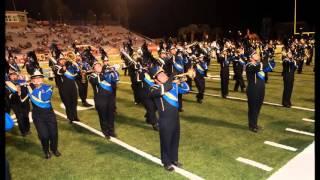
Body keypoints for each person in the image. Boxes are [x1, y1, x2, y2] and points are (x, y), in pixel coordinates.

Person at [148, 65, 190, 171]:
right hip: (165, 119)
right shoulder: (154, 88)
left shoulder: (173, 85)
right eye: (160, 75)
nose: (164, 75)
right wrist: (172, 78)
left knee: (175, 139)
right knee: (166, 140)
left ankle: (174, 159)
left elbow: (186, 90)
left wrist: (182, 81)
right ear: (155, 79)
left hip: (175, 117)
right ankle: (166, 162)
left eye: (164, 73)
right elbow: (165, 88)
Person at [27, 70, 61, 159]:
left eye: (39, 78)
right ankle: (46, 151)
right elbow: (19, 96)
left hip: (49, 114)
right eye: (35, 78)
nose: (38, 80)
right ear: (32, 80)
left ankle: (54, 149)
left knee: (53, 134)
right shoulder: (28, 88)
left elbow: (44, 98)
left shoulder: (48, 87)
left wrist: (30, 88)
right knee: (44, 136)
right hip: (37, 116)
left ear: (42, 79)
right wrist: (19, 87)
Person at [245, 50, 275, 132]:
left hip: (261, 89)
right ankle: (252, 125)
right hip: (253, 89)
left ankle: (254, 123)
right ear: (251, 57)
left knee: (258, 107)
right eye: (255, 54)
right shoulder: (249, 65)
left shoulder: (259, 65)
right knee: (253, 108)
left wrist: (271, 59)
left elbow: (270, 67)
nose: (257, 55)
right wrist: (265, 59)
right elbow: (258, 67)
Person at [88, 62, 119, 139]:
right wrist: (107, 71)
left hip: (110, 97)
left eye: (99, 65)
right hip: (100, 99)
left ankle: (111, 131)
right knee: (103, 116)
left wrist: (114, 71)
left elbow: (115, 80)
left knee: (111, 115)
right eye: (96, 66)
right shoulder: (91, 76)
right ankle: (106, 132)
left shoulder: (106, 73)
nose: (99, 67)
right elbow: (97, 80)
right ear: (93, 69)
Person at [5, 71, 31, 136]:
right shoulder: (7, 85)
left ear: (17, 76)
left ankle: (27, 129)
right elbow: (9, 95)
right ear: (9, 77)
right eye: (12, 75)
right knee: (20, 117)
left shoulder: (22, 82)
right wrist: (16, 93)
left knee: (26, 116)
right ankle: (23, 132)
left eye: (15, 75)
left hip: (25, 103)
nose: (13, 76)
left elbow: (27, 91)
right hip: (15, 104)